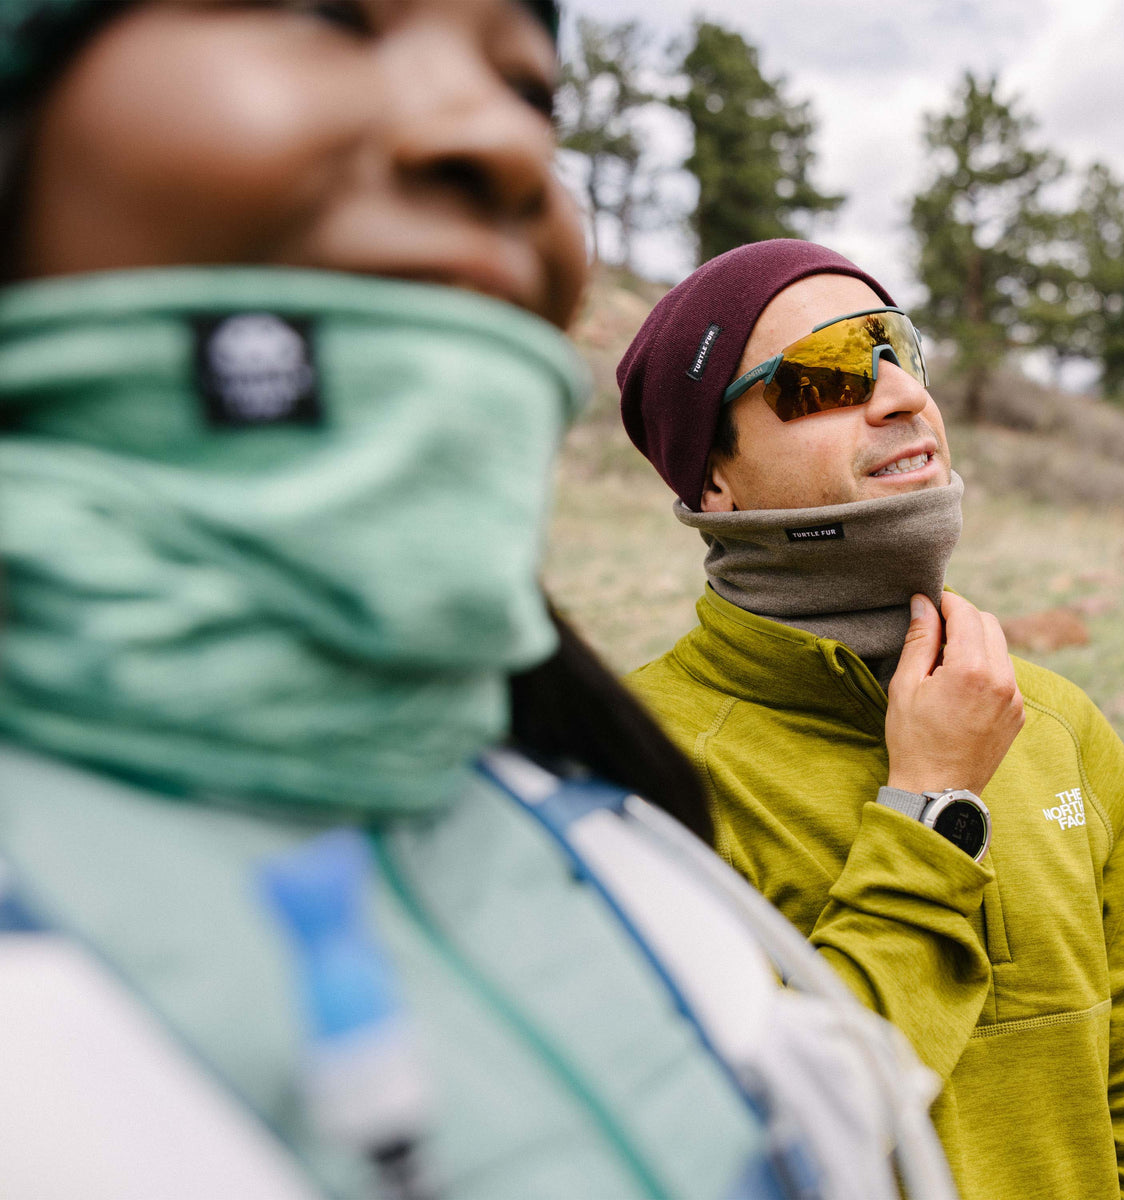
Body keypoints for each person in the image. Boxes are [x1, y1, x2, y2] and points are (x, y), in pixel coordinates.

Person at [0, 6, 964, 1200]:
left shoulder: (606, 824)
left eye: (531, 87)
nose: (506, 143)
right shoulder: (677, 768)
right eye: (322, 15)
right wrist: (938, 827)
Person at [617, 237, 1124, 1200]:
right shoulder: (642, 767)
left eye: (897, 348)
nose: (899, 395)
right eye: (826, 376)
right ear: (712, 478)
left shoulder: (1056, 725)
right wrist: (932, 808)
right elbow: (733, 1144)